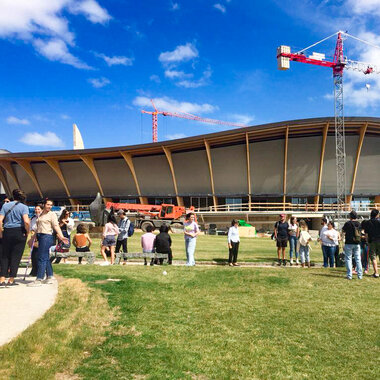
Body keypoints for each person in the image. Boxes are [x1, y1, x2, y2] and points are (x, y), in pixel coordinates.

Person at [28, 199, 68, 287]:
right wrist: (32, 239)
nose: (49, 206)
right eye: (48, 204)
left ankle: (39, 278)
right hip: (39, 236)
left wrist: (61, 236)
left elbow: (56, 226)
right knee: (45, 257)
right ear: (44, 205)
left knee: (41, 257)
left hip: (47, 237)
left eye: (51, 205)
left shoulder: (52, 214)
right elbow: (37, 228)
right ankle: (50, 276)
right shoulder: (40, 214)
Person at [0, 189, 30, 287]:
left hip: (7, 231)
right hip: (19, 232)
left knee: (5, 256)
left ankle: (2, 278)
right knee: (16, 256)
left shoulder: (5, 205)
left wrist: (1, 233)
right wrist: (27, 231)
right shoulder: (24, 207)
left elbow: (0, 220)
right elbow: (26, 221)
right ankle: (11, 279)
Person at [342, 210, 363, 280]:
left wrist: (342, 240)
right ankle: (360, 275)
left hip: (348, 243)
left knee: (348, 258)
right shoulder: (358, 224)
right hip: (357, 243)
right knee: (358, 259)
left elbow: (343, 231)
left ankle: (349, 275)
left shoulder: (347, 223)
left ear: (350, 216)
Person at [363, 209, 380, 278]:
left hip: (372, 241)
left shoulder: (368, 222)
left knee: (373, 257)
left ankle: (376, 273)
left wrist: (367, 241)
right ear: (377, 215)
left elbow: (366, 233)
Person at [28, 204, 43, 276]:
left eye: (38, 209)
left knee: (41, 255)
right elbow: (31, 228)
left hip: (42, 236)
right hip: (35, 237)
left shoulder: (43, 217)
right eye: (36, 209)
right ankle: (34, 270)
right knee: (34, 255)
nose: (37, 211)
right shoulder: (33, 218)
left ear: (42, 210)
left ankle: (41, 271)